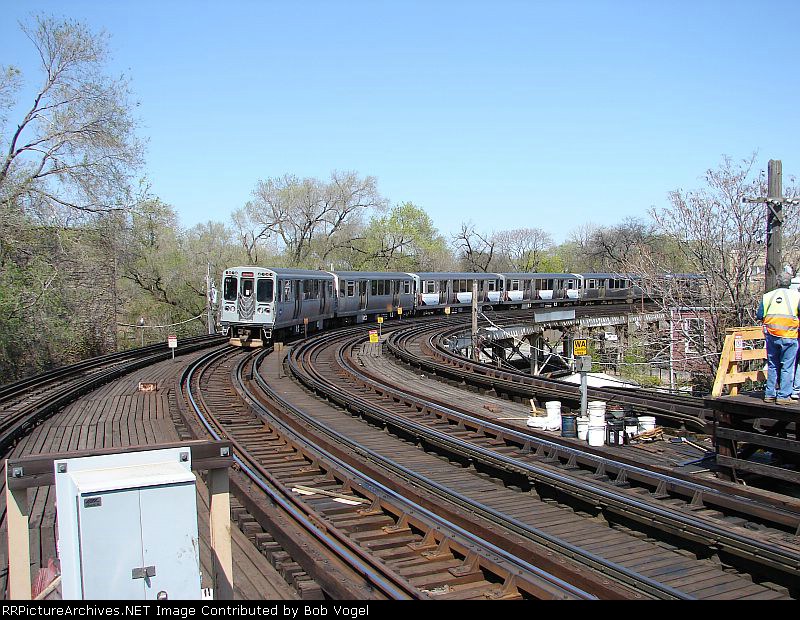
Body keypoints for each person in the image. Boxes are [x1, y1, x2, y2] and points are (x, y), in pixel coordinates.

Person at [757, 272, 800, 404]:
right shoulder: (797, 296)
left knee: (773, 365)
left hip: (771, 335)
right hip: (789, 336)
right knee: (788, 366)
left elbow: (760, 315)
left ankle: (770, 394)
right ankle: (783, 396)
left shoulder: (767, 296)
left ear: (777, 281)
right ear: (790, 283)